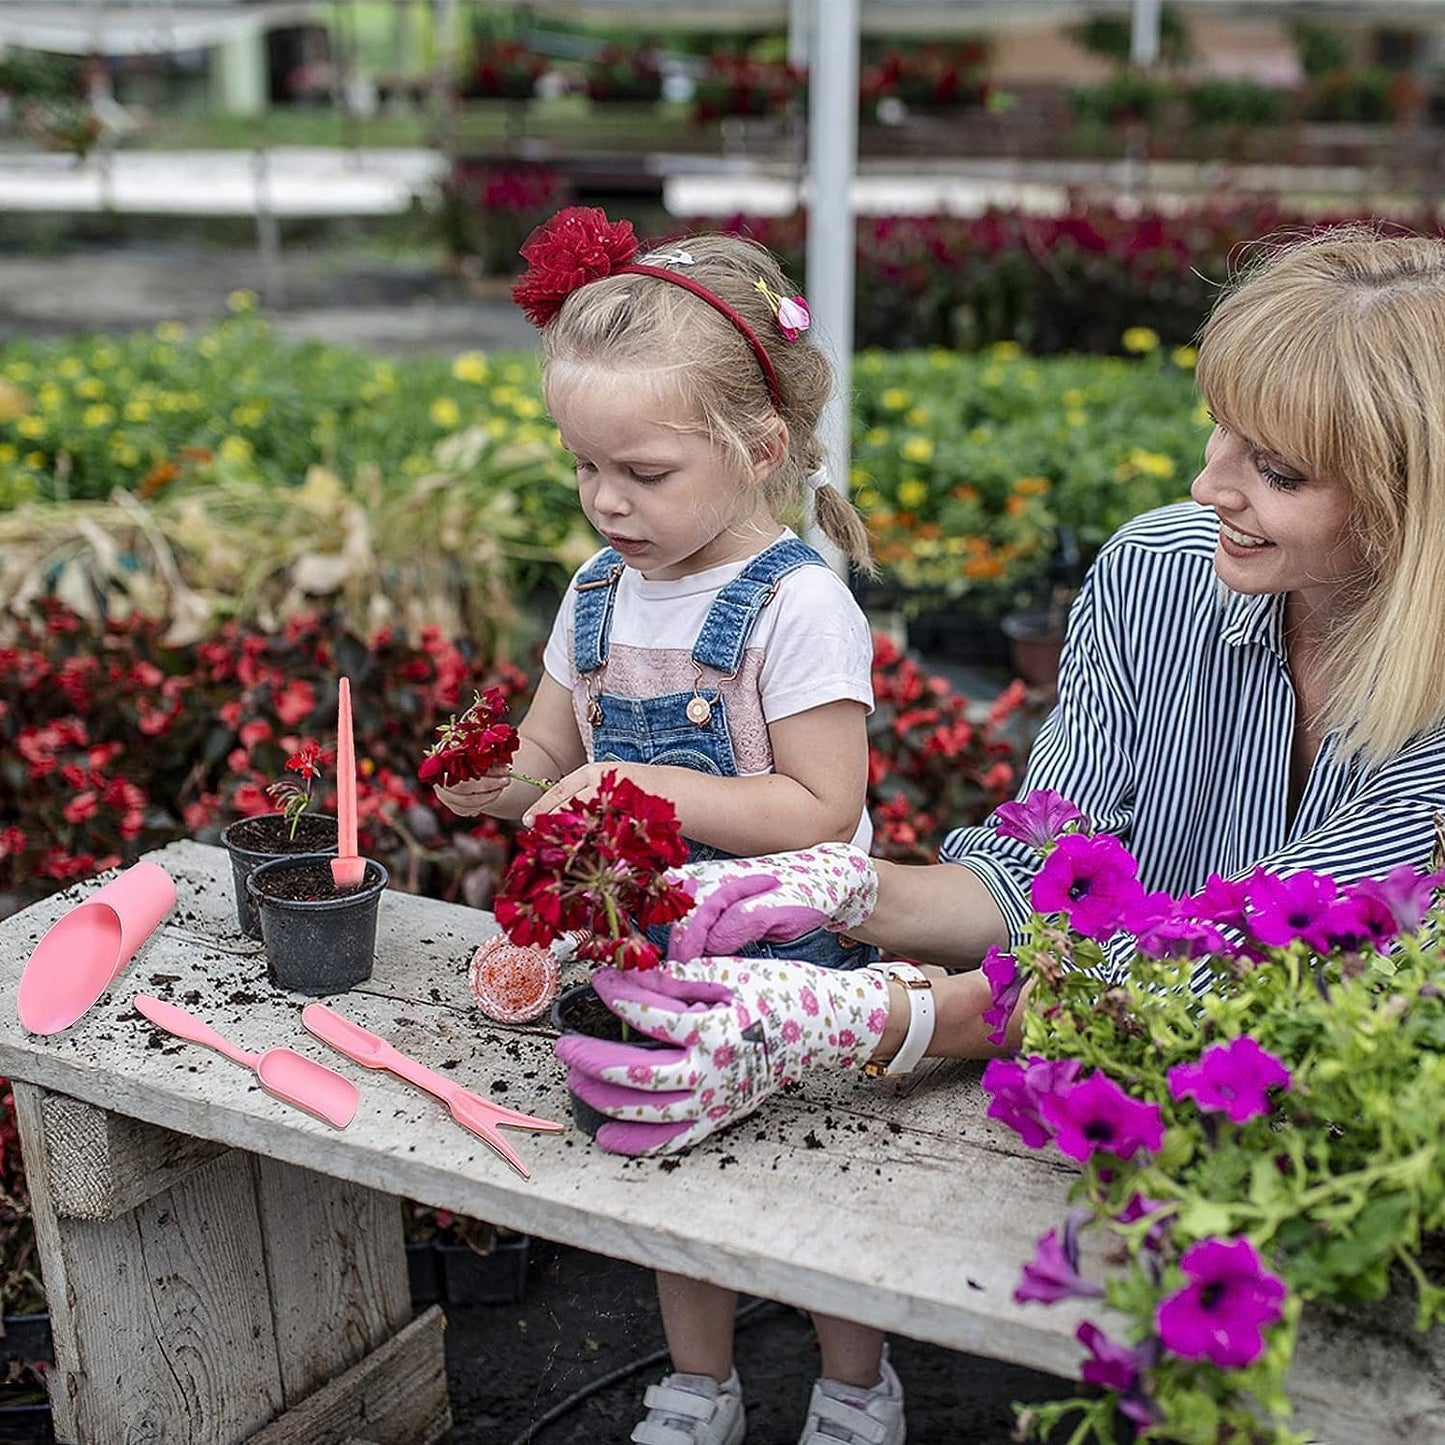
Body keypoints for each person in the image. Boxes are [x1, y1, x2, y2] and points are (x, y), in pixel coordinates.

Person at [557, 224, 1445, 1203]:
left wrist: (883, 1013)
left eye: (1276, 472)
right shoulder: (1158, 573)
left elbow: (1224, 970)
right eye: (1219, 428)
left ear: (1405, 508)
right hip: (1087, 1128)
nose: (1206, 485)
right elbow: (1044, 876)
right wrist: (850, 893)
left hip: (1312, 1182)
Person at [432, 206, 905, 1445]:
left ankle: (855, 1382)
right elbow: (552, 749)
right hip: (642, 935)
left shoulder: (795, 607)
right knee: (671, 1159)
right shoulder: (598, 590)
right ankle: (700, 1379)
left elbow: (820, 805)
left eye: (642, 473)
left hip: (786, 949)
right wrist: (503, 779)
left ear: (756, 447)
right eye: (583, 467)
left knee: (802, 1182)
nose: (605, 502)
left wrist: (634, 791)